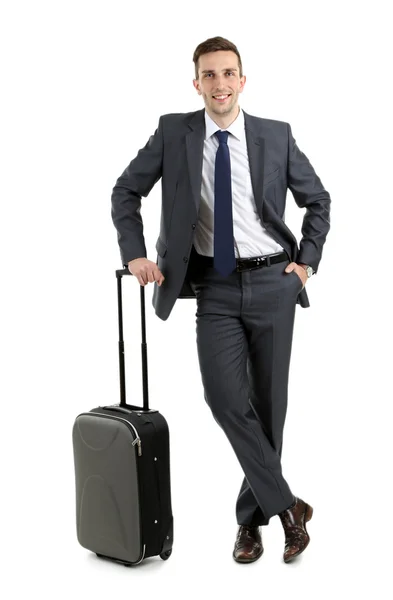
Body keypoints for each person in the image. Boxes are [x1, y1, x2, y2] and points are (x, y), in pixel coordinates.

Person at [111, 36, 331, 564]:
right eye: (208, 75)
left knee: (268, 411)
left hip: (275, 283)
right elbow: (125, 190)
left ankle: (249, 525)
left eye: (228, 73)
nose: (219, 84)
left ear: (242, 80)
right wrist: (136, 253)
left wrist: (305, 265)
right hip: (212, 287)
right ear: (196, 83)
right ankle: (288, 508)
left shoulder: (275, 136)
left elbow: (317, 199)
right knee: (225, 399)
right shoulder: (173, 132)